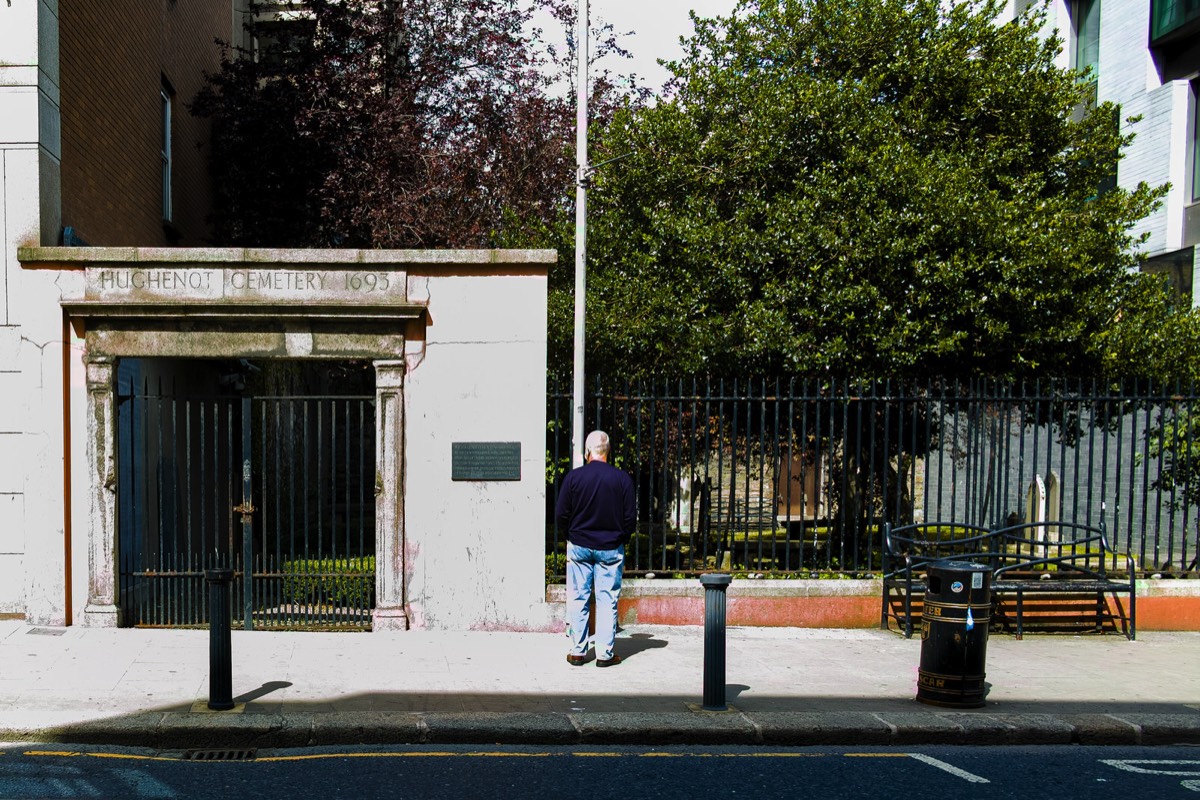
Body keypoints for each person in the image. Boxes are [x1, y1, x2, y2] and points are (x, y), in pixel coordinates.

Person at [555, 430, 636, 667]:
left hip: (580, 544)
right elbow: (630, 518)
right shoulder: (622, 479)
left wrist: (570, 536)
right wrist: (622, 538)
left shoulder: (574, 478)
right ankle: (604, 654)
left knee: (579, 597)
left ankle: (578, 651)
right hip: (610, 547)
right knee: (606, 600)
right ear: (608, 451)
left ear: (588, 451)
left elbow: (562, 514)